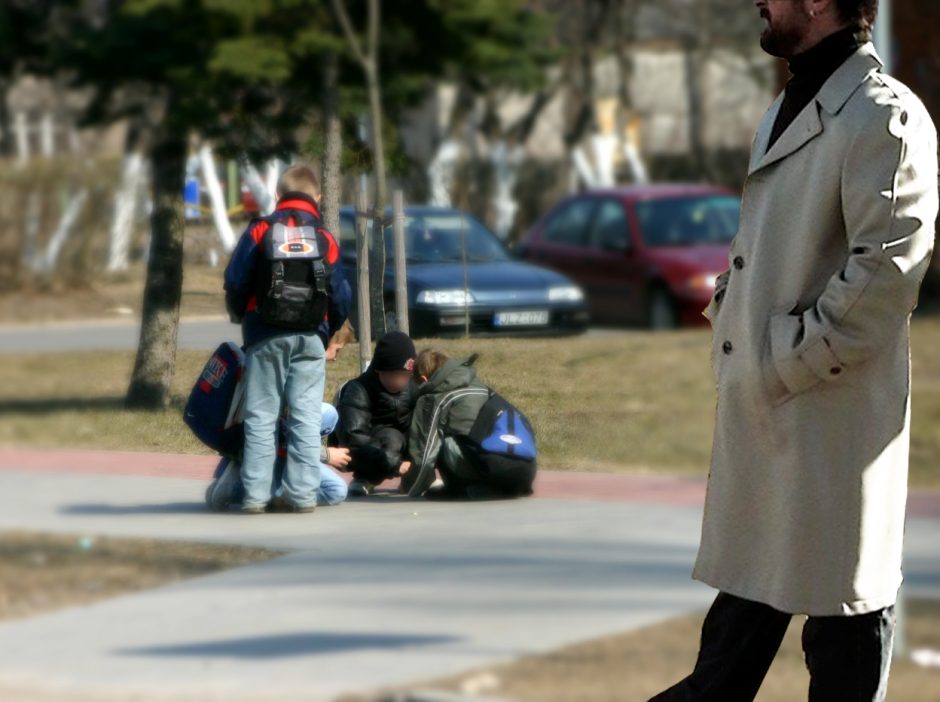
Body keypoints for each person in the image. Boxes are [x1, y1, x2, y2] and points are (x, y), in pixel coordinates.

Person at [650, 1, 938, 700]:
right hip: (774, 421)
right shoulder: (791, 101)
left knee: (844, 635)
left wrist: (783, 359)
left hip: (833, 431)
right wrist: (735, 319)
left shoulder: (885, 115)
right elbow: (766, 249)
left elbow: (886, 274)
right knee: (734, 643)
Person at [223, 164, 351, 514]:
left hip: (265, 333)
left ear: (278, 195)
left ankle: (254, 496)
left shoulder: (262, 229)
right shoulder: (324, 237)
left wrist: (243, 317)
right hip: (311, 336)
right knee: (306, 417)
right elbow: (341, 294)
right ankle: (301, 494)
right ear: (318, 197)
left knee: (262, 416)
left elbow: (235, 280)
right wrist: (327, 329)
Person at [404, 348, 537, 500]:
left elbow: (425, 452)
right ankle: (495, 488)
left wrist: (412, 488)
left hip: (489, 470)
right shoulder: (485, 390)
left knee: (438, 436)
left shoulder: (436, 398)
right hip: (524, 472)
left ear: (424, 379)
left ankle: (463, 489)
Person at [205, 403, 352, 511]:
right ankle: (245, 488)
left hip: (262, 437)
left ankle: (247, 466)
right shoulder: (286, 371)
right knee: (335, 490)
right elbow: (285, 429)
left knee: (328, 413)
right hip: (270, 436)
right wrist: (324, 454)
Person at [333, 331, 418, 497]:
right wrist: (393, 464)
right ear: (380, 370)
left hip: (400, 448)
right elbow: (354, 438)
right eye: (396, 375)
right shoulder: (358, 390)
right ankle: (365, 478)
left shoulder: (413, 389)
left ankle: (414, 479)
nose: (401, 381)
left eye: (406, 376)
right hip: (370, 450)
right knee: (392, 437)